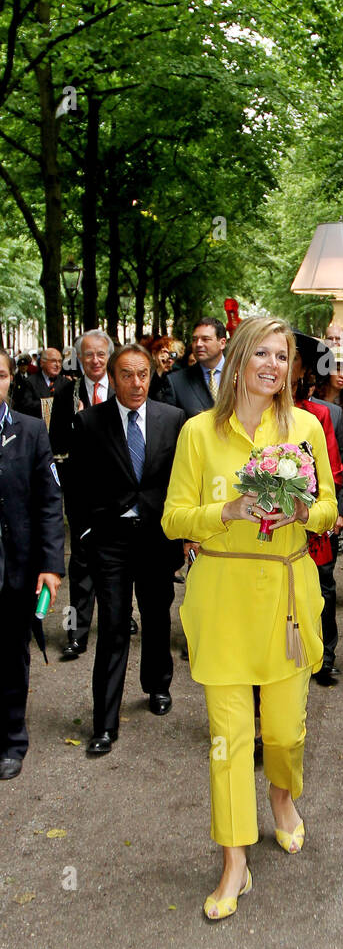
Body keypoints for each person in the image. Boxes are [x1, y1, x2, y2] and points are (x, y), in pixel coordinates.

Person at [161, 316, 337, 921]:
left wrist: (301, 512)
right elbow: (174, 519)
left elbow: (330, 509)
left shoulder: (308, 426)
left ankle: (283, 796)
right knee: (228, 741)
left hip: (287, 597)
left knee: (284, 733)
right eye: (261, 352)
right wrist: (229, 507)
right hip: (222, 597)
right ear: (237, 359)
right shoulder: (197, 433)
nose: (273, 365)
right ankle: (234, 859)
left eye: (282, 356)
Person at [66, 344, 185, 755]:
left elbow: (181, 481)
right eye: (127, 375)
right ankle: (104, 722)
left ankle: (157, 685)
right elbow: (75, 487)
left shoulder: (173, 420)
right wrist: (84, 536)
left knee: (156, 616)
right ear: (112, 378)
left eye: (143, 375)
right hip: (110, 542)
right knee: (114, 626)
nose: (136, 383)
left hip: (156, 537)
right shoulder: (88, 423)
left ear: (151, 377)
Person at [0, 349, 65, 779]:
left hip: (16, 568)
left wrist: (50, 563)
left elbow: (47, 502)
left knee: (9, 655)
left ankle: (10, 740)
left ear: (9, 379)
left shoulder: (28, 431)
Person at [291, 332, 343, 686]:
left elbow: (337, 468)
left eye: (291, 359)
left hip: (315, 519)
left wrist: (337, 513)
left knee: (322, 586)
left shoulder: (323, 414)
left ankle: (325, 656)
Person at [49, 331, 115, 661]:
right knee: (81, 565)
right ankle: (76, 631)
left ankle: (120, 618)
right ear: (80, 357)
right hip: (82, 496)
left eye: (101, 354)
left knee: (118, 562)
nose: (95, 360)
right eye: (88, 355)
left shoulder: (123, 388)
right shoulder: (65, 394)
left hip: (119, 494)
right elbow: (57, 444)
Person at [164, 318, 227, 417]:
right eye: (194, 340)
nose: (198, 344)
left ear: (222, 343)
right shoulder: (176, 382)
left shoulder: (243, 374)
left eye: (205, 339)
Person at [13, 346, 65, 425]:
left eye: (60, 361)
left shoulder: (66, 383)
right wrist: (49, 403)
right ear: (42, 363)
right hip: (37, 428)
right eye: (53, 361)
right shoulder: (29, 382)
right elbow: (25, 406)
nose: (57, 365)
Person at [148, 336, 179, 402]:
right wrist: (160, 369)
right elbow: (149, 397)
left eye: (172, 355)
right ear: (154, 354)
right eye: (165, 353)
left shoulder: (177, 374)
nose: (169, 360)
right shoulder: (146, 372)